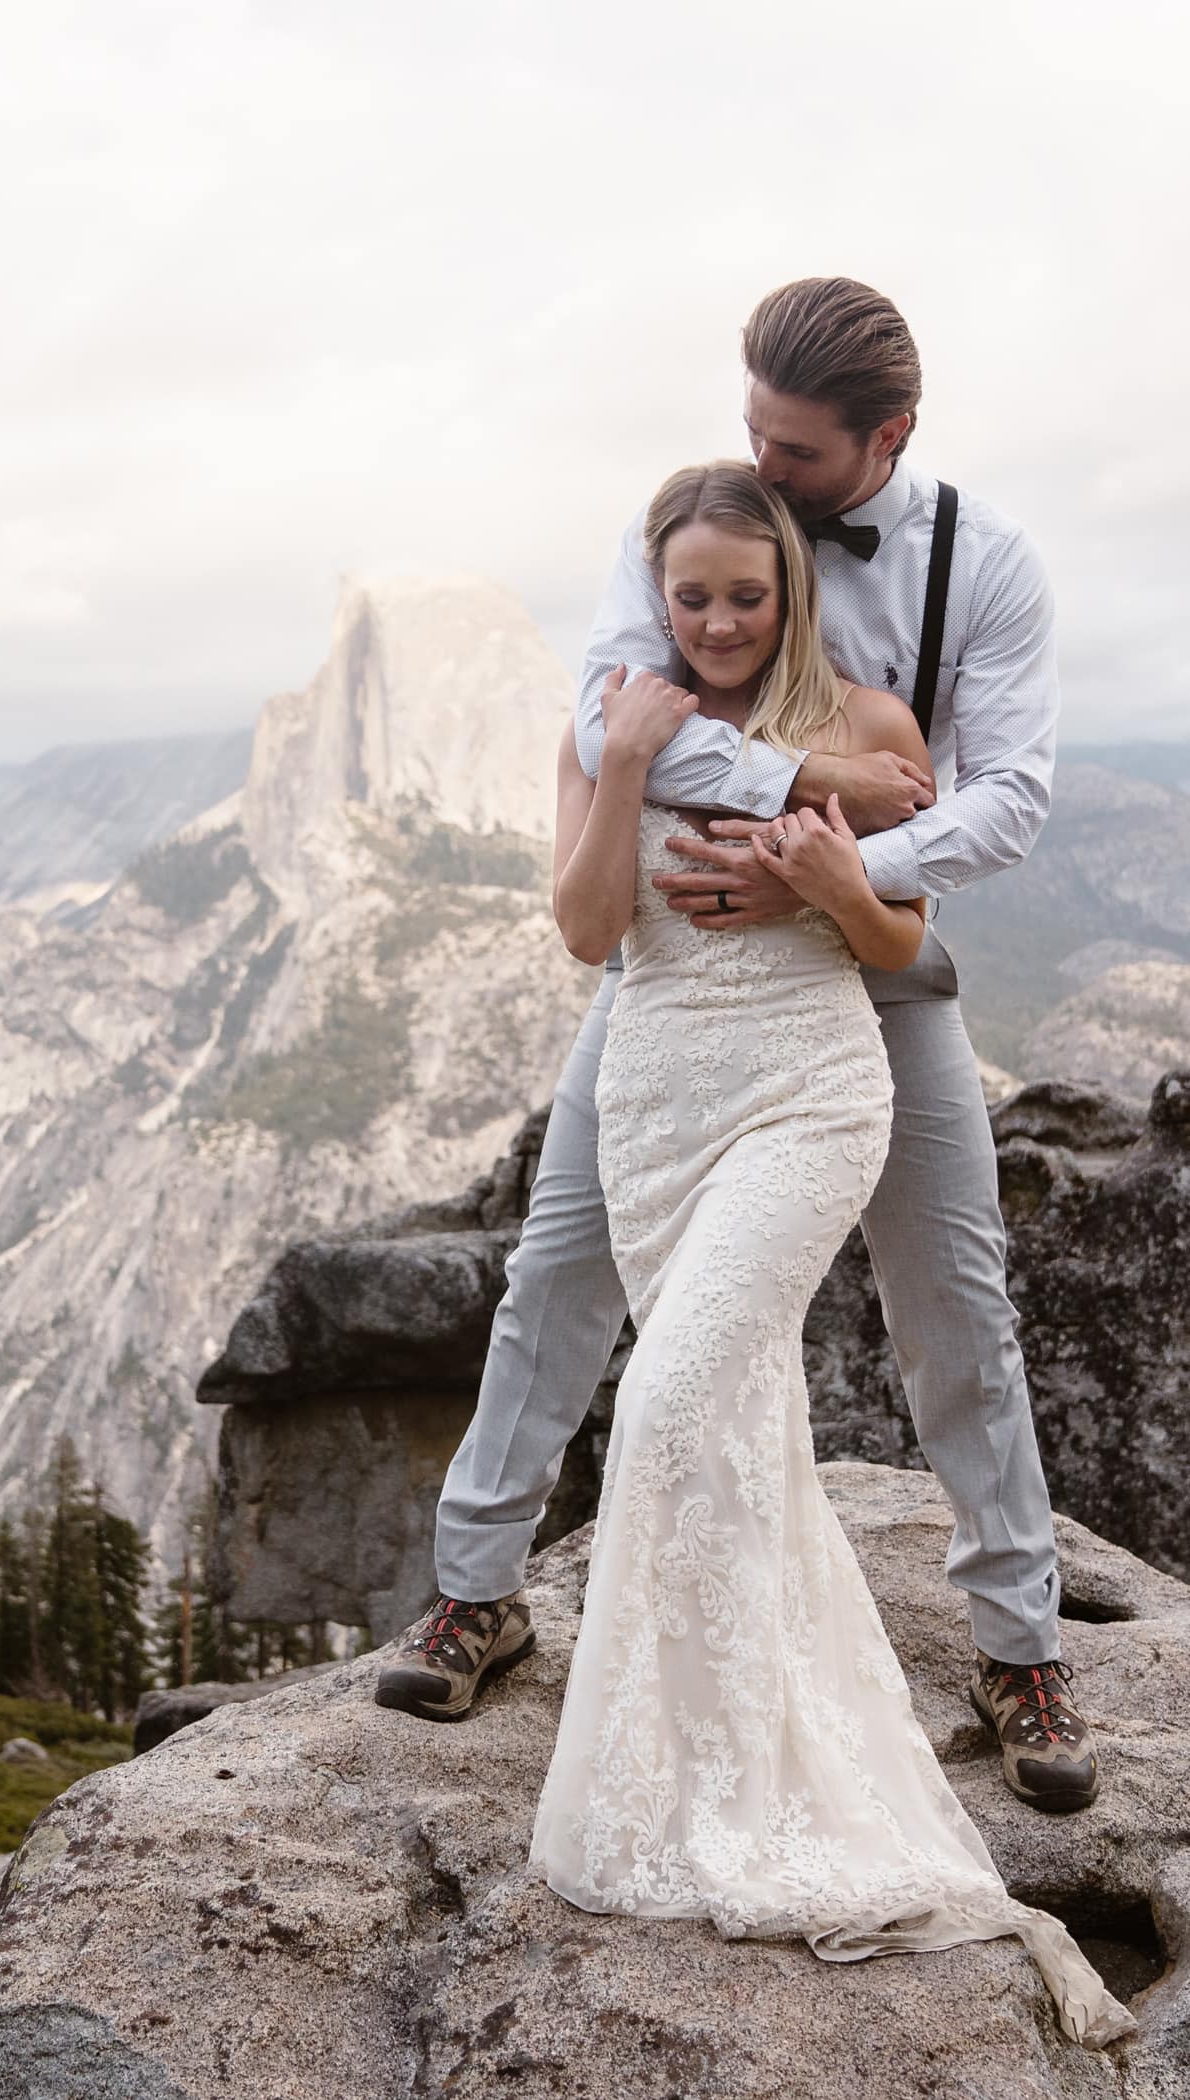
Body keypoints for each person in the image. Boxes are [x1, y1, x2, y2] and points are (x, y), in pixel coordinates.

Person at [377, 278, 1100, 1829]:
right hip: (682, 982)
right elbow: (619, 715)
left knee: (955, 1298)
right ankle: (476, 1594)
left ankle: (1019, 1648)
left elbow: (1008, 802)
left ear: (885, 438)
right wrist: (817, 784)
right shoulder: (702, 530)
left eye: (798, 450)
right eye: (751, 431)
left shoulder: (992, 568)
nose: (764, 469)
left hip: (868, 965)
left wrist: (833, 871)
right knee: (555, 1275)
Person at [524, 459, 1130, 2046]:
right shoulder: (611, 715)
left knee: (671, 1400)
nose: (717, 618)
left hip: (808, 1085)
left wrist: (824, 869)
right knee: (729, 1427)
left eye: (747, 592)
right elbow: (588, 933)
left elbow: (901, 941)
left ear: (791, 588)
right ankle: (716, 1736)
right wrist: (631, 755)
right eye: (691, 595)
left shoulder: (869, 733)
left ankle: (998, 1657)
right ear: (658, 594)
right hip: (658, 1103)